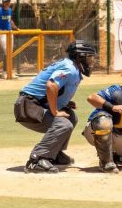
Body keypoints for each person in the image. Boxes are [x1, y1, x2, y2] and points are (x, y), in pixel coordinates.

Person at [14, 40, 97, 173]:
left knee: (71, 117)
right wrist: (55, 111)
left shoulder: (70, 65)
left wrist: (62, 103)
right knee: (64, 124)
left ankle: (54, 153)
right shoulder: (69, 68)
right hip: (28, 107)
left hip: (34, 104)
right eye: (89, 57)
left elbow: (53, 89)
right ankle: (37, 159)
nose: (91, 61)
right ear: (79, 56)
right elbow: (51, 85)